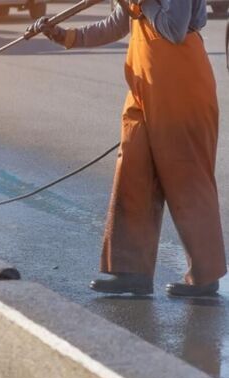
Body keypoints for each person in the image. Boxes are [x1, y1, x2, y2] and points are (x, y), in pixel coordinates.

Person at [29, 0, 226, 296]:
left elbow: (174, 29)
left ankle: (205, 275)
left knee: (187, 177)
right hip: (144, 86)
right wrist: (64, 35)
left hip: (182, 86)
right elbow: (115, 25)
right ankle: (131, 270)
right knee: (133, 171)